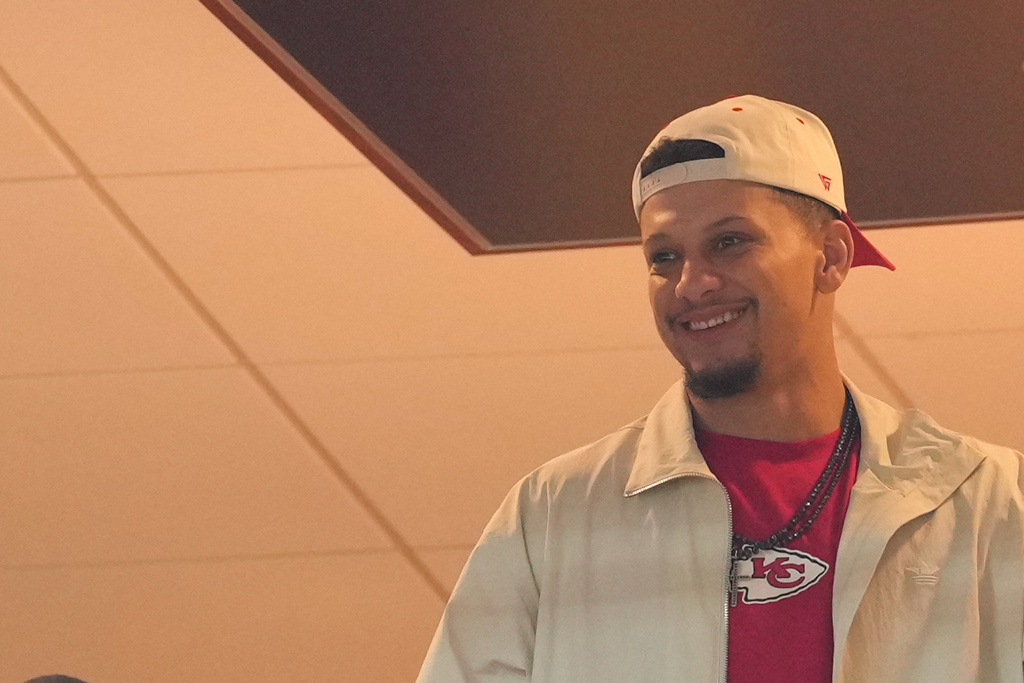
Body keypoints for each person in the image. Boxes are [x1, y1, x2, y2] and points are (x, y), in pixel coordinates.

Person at [416, 95, 1024, 682]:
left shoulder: (985, 501)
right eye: (663, 257)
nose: (692, 283)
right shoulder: (555, 515)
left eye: (730, 242)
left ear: (832, 256)